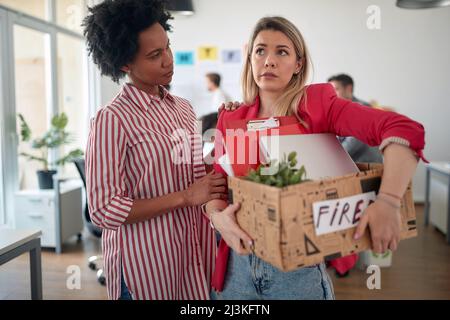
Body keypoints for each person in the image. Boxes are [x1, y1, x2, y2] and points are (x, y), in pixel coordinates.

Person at [205, 16, 426, 300]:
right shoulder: (231, 115)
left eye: (281, 51)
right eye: (260, 50)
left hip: (298, 273)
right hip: (237, 270)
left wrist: (388, 201)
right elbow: (216, 185)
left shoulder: (318, 105)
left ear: (298, 64)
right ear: (250, 59)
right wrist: (216, 218)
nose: (268, 60)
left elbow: (404, 129)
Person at [82, 0, 227, 300]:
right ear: (125, 63)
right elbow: (104, 209)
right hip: (147, 265)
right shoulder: (112, 119)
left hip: (194, 253)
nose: (169, 60)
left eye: (168, 47)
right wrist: (186, 196)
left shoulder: (184, 109)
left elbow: (192, 172)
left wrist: (228, 128)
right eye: (154, 55)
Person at [328, 74, 383, 164]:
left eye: (336, 89)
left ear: (349, 89)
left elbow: (352, 143)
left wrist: (329, 158)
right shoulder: (336, 111)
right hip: (351, 166)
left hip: (369, 168)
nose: (332, 94)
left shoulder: (363, 109)